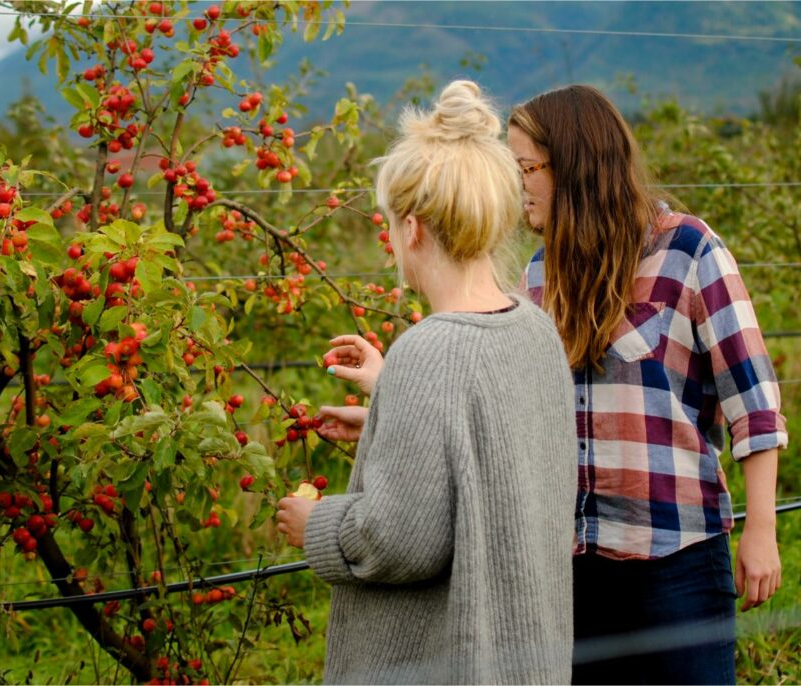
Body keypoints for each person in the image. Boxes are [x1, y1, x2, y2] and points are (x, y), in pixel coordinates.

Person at [275, 80, 578, 685]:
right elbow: (488, 455)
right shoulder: (535, 329)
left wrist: (319, 528)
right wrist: (388, 414)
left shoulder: (427, 349)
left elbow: (402, 538)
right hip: (530, 655)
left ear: (411, 228)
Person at [506, 84, 786, 685]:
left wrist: (761, 530)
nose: (517, 183)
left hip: (677, 566)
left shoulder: (687, 250)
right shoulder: (538, 274)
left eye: (527, 167)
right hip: (574, 572)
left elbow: (754, 404)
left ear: (575, 165)